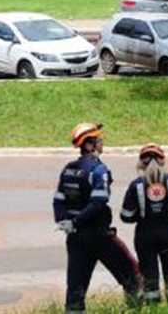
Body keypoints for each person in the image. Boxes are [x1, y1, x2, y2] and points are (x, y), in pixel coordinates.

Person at [53, 123, 140, 313]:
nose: (102, 143)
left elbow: (58, 200)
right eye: (99, 140)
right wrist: (76, 222)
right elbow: (98, 203)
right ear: (90, 145)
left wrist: (64, 222)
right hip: (100, 237)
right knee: (132, 276)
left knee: (75, 291)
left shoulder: (68, 169)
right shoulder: (98, 171)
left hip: (75, 238)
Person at [119, 143, 168, 304]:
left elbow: (126, 216)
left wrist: (143, 214)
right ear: (162, 161)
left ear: (141, 163)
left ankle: (153, 308)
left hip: (145, 235)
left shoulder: (136, 185)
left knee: (149, 275)